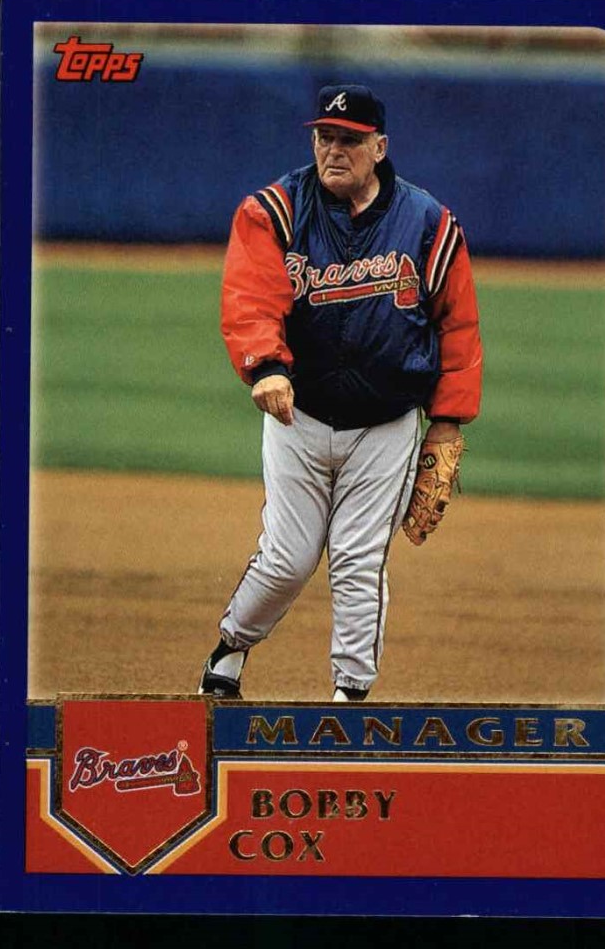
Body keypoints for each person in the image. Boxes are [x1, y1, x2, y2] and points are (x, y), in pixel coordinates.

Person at [199, 83, 482, 702]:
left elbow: (457, 325)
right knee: (287, 559)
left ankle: (349, 697)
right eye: (325, 137)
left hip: (386, 424)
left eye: (350, 140)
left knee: (359, 561)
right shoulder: (274, 210)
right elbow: (250, 296)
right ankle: (229, 651)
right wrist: (266, 365)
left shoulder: (429, 223)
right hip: (298, 416)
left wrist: (447, 419)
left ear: (379, 147)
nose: (334, 149)